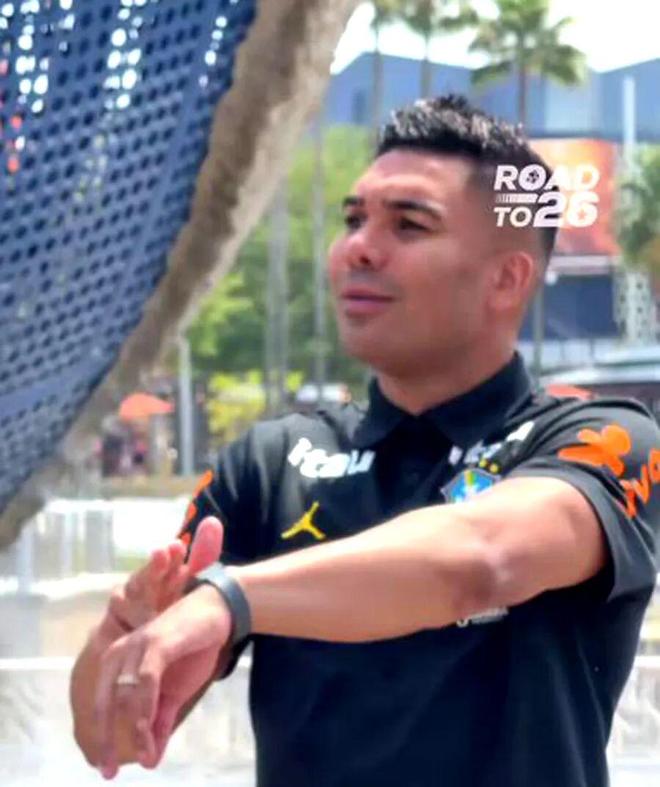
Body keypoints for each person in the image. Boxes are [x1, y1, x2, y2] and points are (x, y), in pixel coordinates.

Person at [71, 95, 660, 787]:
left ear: (506, 278)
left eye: (409, 224)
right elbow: (110, 741)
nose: (360, 247)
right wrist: (126, 634)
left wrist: (227, 599)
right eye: (354, 219)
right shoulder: (269, 464)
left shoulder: (603, 439)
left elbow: (482, 559)